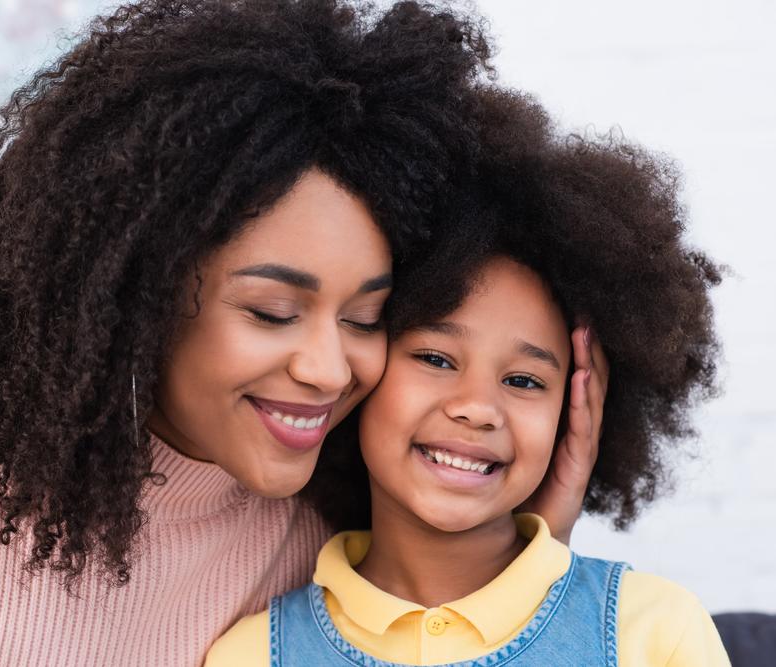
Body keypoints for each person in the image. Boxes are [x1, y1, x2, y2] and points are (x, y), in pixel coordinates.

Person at [0, 2, 606, 665]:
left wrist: (528, 538)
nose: (329, 370)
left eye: (365, 318)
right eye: (271, 312)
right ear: (139, 296)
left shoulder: (333, 520)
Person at [206, 85, 729, 666]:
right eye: (435, 359)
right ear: (363, 372)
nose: (478, 407)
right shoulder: (252, 654)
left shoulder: (655, 633)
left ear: (571, 413)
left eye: (525, 381)